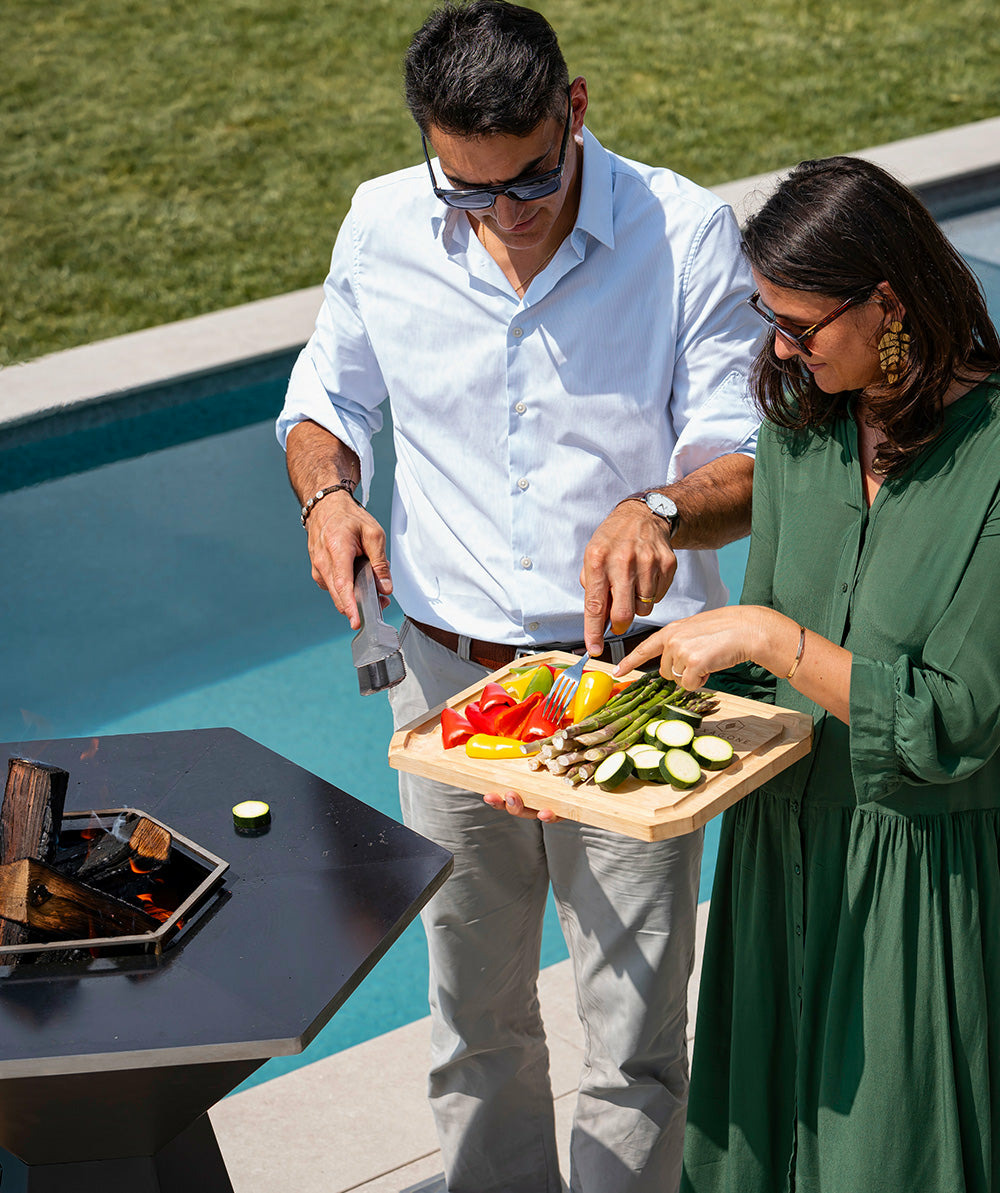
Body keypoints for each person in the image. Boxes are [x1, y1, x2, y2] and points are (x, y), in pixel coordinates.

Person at [276, 3, 761, 1189]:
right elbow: (322, 401)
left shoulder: (684, 230)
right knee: (470, 1019)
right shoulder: (381, 221)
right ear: (432, 150)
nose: (503, 212)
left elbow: (745, 459)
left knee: (633, 1037)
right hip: (448, 690)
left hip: (633, 682)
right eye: (469, 190)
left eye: (530, 181)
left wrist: (655, 507)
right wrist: (327, 497)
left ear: (575, 108)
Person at [614, 155, 1000, 1193]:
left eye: (799, 323)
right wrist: (603, 760)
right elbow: (759, 700)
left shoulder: (996, 459)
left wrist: (767, 636)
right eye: (766, 315)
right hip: (777, 858)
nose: (778, 346)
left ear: (886, 302)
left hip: (914, 882)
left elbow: (949, 725)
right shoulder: (802, 431)